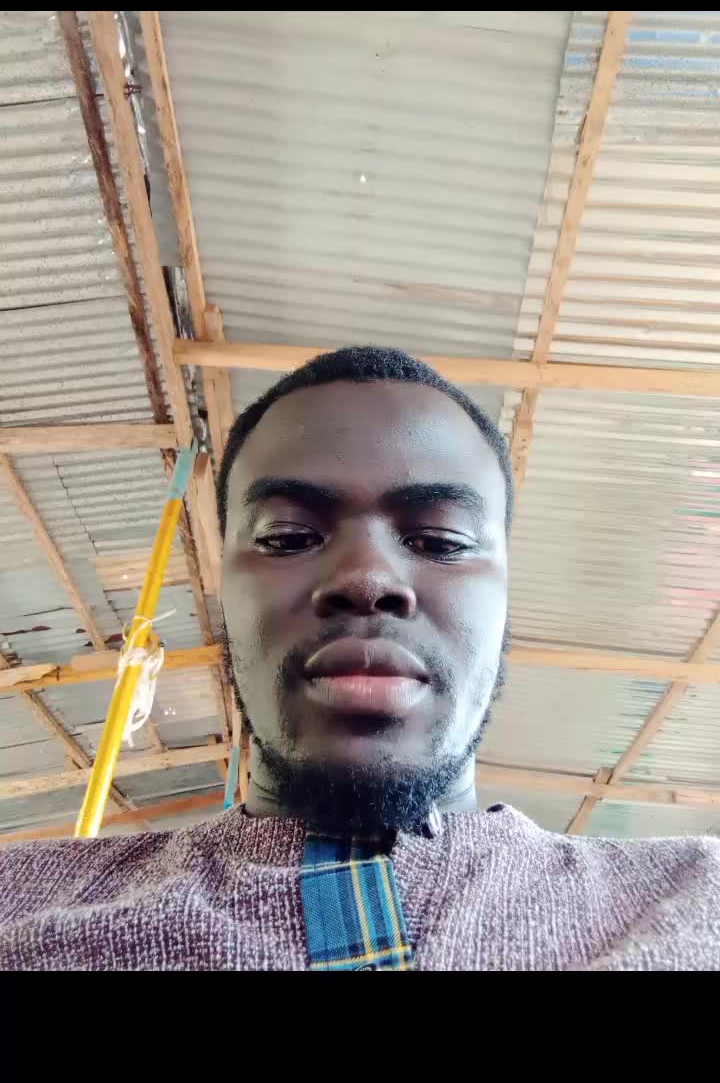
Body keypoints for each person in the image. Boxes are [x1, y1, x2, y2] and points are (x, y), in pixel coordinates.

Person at [1, 346, 719, 971]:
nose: (367, 578)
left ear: (506, 599)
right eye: (286, 536)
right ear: (223, 593)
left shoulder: (693, 898)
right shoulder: (21, 905)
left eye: (441, 540)